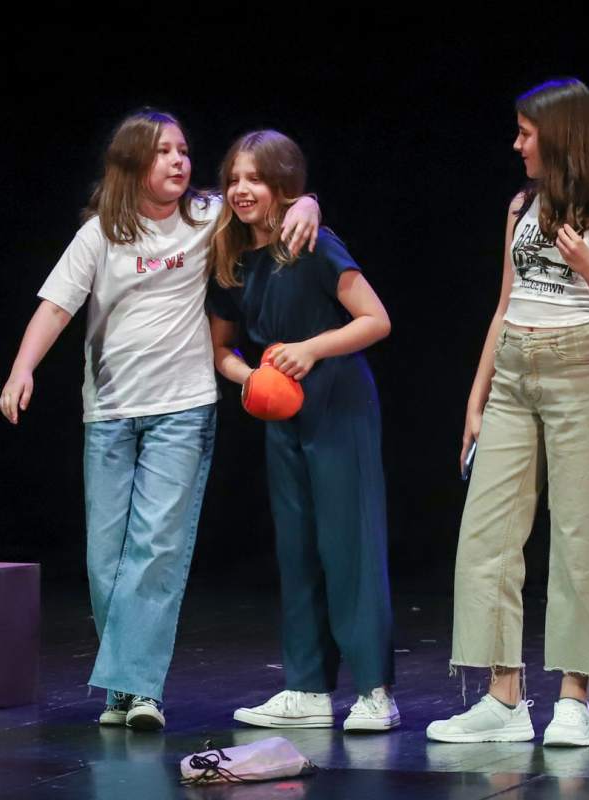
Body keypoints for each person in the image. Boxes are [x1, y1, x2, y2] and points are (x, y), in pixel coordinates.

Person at [0, 109, 320, 731]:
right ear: (132, 163)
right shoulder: (100, 234)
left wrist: (307, 201)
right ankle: (123, 689)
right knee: (106, 559)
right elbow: (56, 306)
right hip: (111, 411)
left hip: (183, 409)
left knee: (156, 551)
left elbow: (263, 207)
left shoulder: (205, 216)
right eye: (163, 151)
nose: (179, 161)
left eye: (183, 150)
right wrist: (22, 369)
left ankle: (141, 691)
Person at [426, 79, 589, 746]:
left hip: (582, 372)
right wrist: (477, 396)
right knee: (486, 536)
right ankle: (504, 699)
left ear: (559, 136)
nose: (517, 144)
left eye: (526, 133)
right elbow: (505, 303)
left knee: (579, 538)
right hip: (514, 375)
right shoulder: (521, 205)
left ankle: (574, 700)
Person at [206, 130, 398, 732]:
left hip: (336, 398)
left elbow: (375, 320)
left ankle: (375, 692)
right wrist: (251, 379)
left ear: (283, 185)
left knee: (349, 544)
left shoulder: (312, 243)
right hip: (279, 407)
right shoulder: (233, 259)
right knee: (297, 547)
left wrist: (311, 349)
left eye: (255, 179)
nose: (241, 190)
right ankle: (308, 689)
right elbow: (221, 349)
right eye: (234, 179)